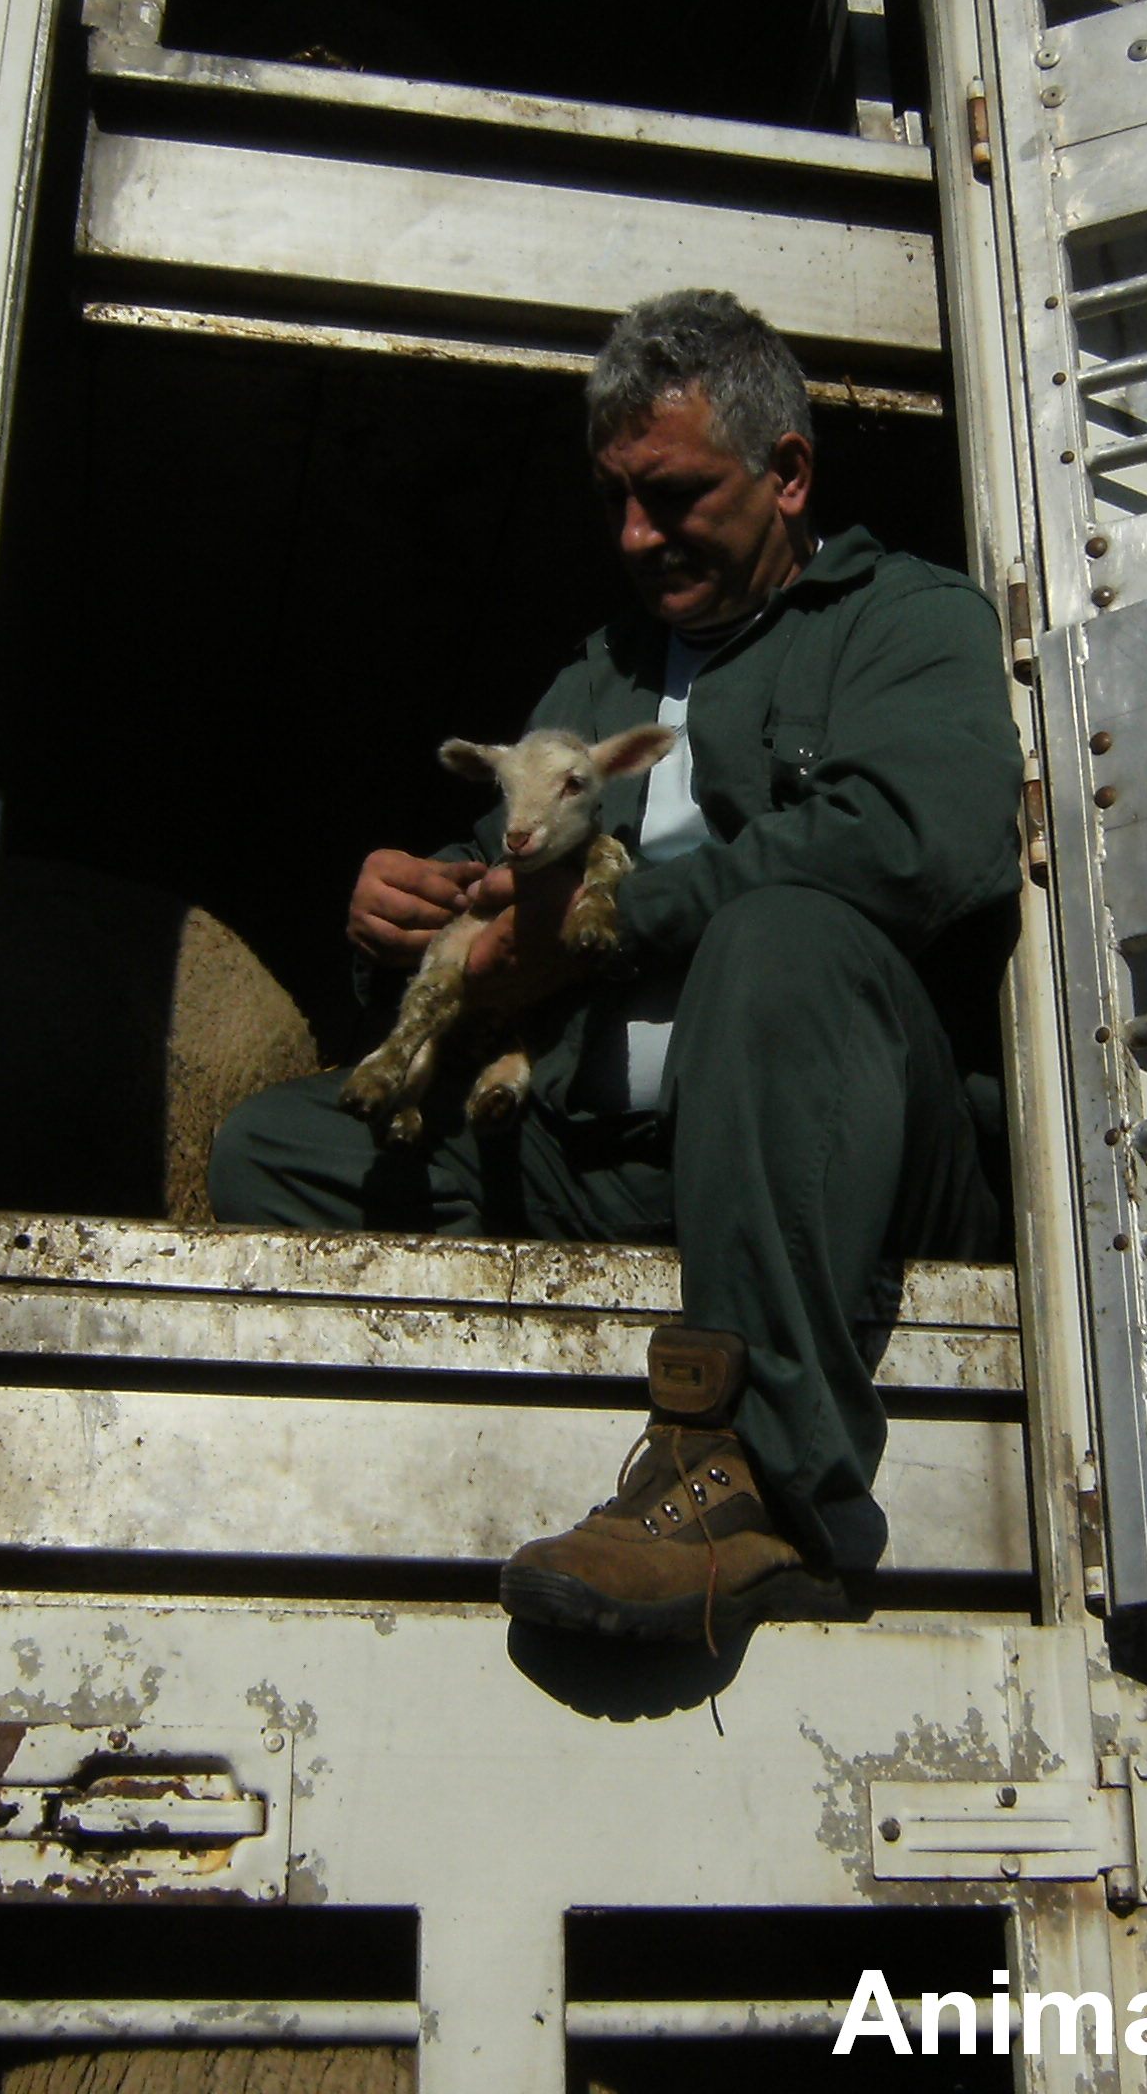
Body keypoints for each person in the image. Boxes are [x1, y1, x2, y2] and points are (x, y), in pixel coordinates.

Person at [206, 288, 1024, 1641]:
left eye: (675, 494)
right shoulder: (595, 679)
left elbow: (916, 842)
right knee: (275, 1153)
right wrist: (414, 920)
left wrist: (601, 928)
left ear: (788, 473)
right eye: (614, 502)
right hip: (610, 1165)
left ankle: (765, 1481)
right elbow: (500, 884)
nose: (637, 536)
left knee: (785, 925)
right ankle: (478, 1438)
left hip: (855, 1171)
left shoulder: (907, 619)